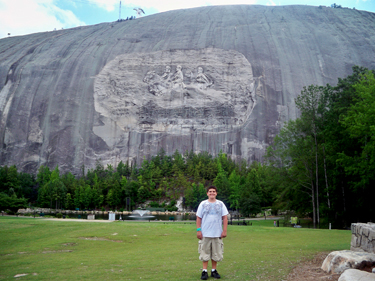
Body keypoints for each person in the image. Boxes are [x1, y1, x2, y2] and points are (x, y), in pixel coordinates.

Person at [196, 186, 228, 280]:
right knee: (205, 252)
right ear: (207, 193)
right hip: (205, 233)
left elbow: (225, 217)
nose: (212, 193)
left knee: (216, 253)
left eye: (213, 191)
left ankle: (214, 270)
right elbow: (198, 217)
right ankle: (204, 271)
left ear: (216, 193)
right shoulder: (203, 204)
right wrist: (198, 230)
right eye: (210, 191)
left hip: (217, 233)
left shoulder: (221, 204)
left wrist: (224, 230)